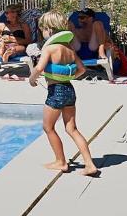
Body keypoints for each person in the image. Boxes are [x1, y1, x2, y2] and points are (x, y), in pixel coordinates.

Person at [29, 12, 99, 176]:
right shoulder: (69, 49)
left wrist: (32, 79)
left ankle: (61, 162)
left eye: (43, 30)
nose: (42, 33)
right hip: (69, 89)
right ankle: (89, 164)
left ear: (49, 29)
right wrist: (67, 76)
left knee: (48, 127)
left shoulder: (50, 48)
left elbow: (39, 68)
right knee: (72, 129)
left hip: (56, 91)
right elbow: (82, 70)